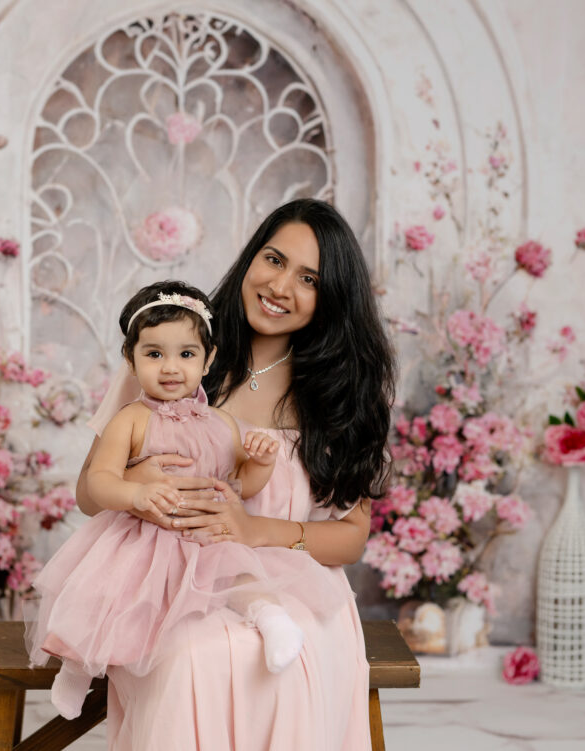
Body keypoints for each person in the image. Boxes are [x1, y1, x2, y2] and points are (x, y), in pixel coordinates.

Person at [75, 198, 395, 750]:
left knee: (271, 659)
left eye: (309, 278)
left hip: (294, 589)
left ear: (331, 297)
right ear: (251, 257)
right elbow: (87, 494)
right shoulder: (175, 350)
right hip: (171, 583)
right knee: (189, 658)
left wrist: (252, 531)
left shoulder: (341, 391)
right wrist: (140, 479)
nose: (280, 286)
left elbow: (350, 537)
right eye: (273, 259)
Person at [27, 281, 347, 720]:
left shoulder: (222, 423)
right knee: (108, 599)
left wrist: (260, 464)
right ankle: (76, 670)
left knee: (240, 575)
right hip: (143, 540)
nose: (170, 367)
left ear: (208, 359)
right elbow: (99, 482)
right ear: (131, 360)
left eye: (186, 354)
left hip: (205, 538)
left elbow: (238, 488)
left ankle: (272, 623)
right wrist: (135, 491)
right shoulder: (132, 419)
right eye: (154, 354)